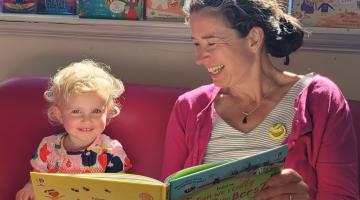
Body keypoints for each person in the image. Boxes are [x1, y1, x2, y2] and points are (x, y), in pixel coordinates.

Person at [160, 0, 359, 199]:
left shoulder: (321, 99)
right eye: (197, 43)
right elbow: (164, 192)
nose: (199, 57)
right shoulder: (189, 106)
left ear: (254, 39)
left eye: (211, 43)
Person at [16, 60, 132, 200]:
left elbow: (120, 189)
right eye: (76, 111)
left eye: (96, 111)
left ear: (108, 113)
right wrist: (30, 187)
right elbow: (37, 178)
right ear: (59, 114)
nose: (87, 119)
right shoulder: (48, 146)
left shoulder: (112, 151)